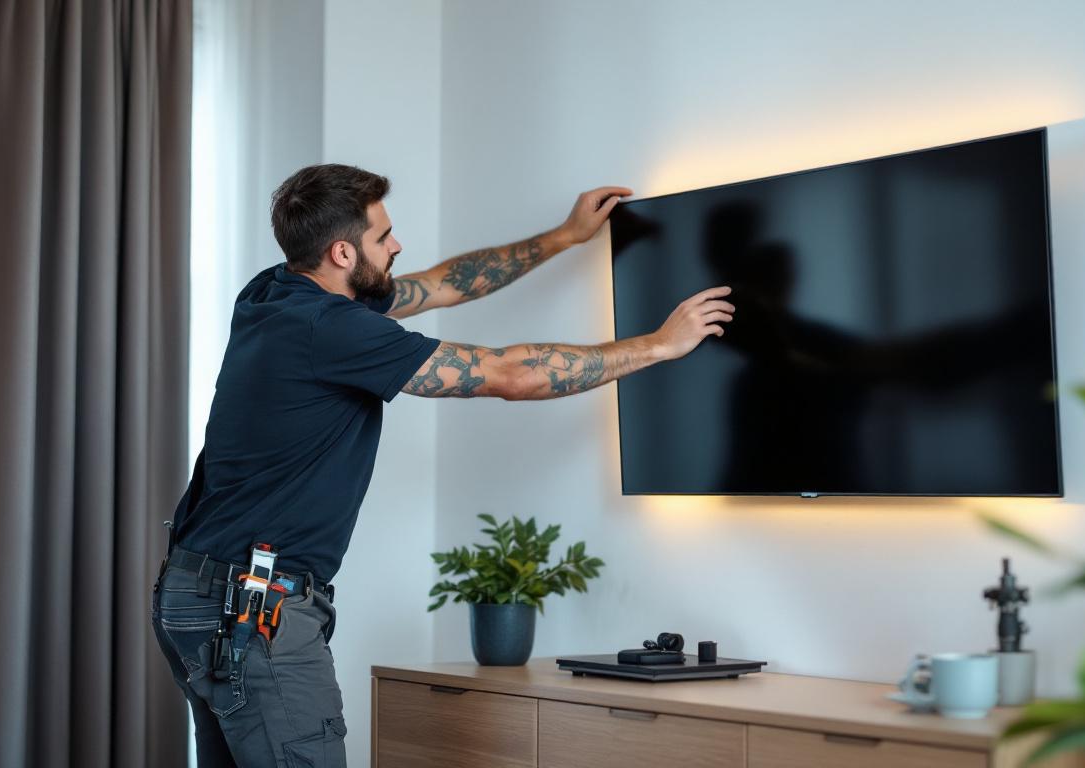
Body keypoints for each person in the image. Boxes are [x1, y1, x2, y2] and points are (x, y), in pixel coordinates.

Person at [151, 164, 734, 767]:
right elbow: (512, 374)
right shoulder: (332, 328)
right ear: (343, 251)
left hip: (199, 592)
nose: (397, 244)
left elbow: (441, 284)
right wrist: (660, 344)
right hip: (254, 609)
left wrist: (564, 237)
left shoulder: (274, 292)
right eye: (384, 236)